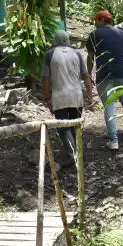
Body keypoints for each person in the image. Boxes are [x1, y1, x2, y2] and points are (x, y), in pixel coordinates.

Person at [85, 10, 123, 150]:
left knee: (109, 106)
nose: (94, 23)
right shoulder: (122, 34)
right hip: (122, 74)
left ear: (102, 20)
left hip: (104, 76)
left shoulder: (94, 35)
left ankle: (114, 140)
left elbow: (90, 57)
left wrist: (89, 74)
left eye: (96, 20)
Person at [42, 30, 93, 165]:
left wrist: (47, 98)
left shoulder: (49, 54)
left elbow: (45, 78)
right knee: (74, 125)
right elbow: (86, 76)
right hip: (77, 96)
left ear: (55, 41)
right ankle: (76, 152)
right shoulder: (77, 54)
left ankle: (74, 155)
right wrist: (90, 95)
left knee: (63, 127)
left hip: (60, 96)